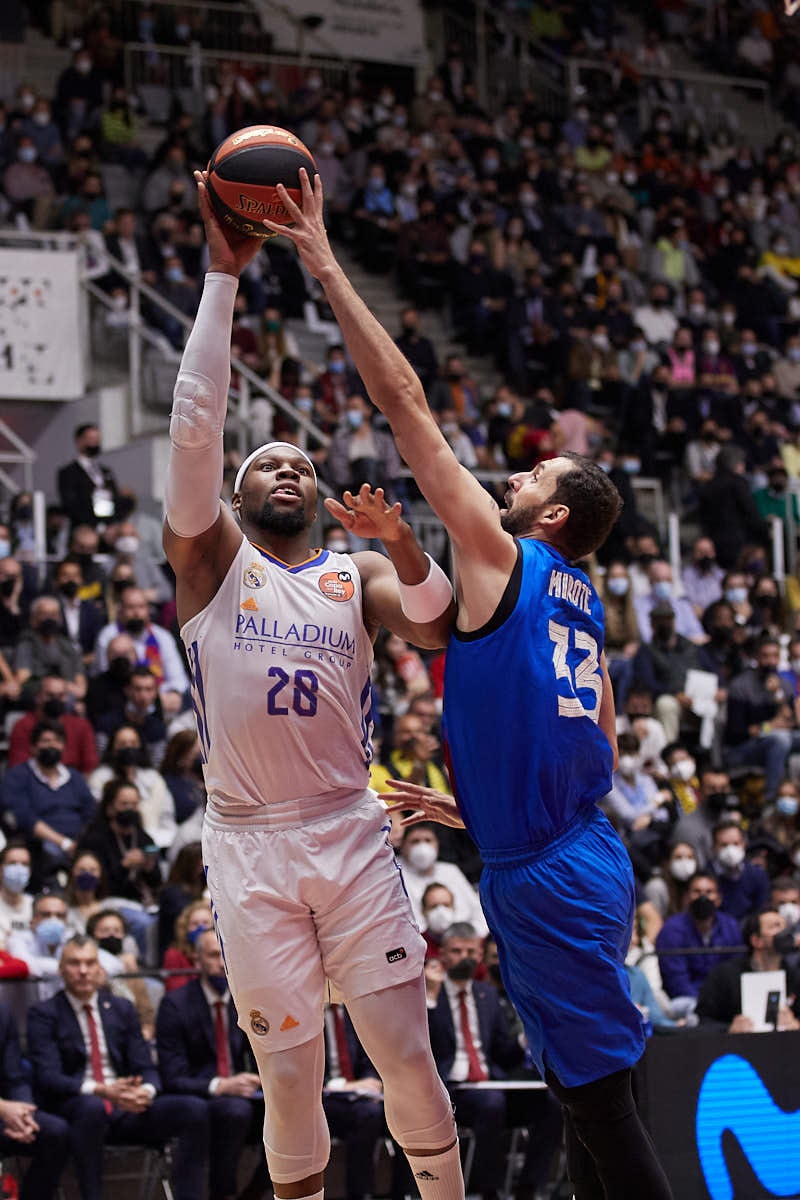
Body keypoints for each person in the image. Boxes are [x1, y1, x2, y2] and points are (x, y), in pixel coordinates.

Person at [271, 168, 673, 1200]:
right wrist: (484, 809)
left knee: (587, 1093)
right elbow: (598, 737)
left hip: (549, 867)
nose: (509, 480)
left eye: (527, 482)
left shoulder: (507, 559)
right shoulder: (576, 598)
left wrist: (321, 258)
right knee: (580, 1074)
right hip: (560, 849)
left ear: (547, 519)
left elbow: (402, 402)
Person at [161, 173, 464, 1200]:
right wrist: (220, 278)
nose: (286, 469)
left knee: (403, 1060)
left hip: (346, 827)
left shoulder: (353, 570)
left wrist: (406, 543)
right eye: (266, 464)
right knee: (289, 1079)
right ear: (238, 499)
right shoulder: (209, 565)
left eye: (300, 460)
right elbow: (197, 425)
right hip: (246, 843)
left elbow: (432, 629)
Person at [26, 935, 209, 1200]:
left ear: (100, 968)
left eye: (90, 962)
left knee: (194, 1109)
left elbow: (145, 1066)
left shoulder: (121, 1008)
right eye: (75, 963)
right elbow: (48, 1077)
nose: (84, 971)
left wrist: (145, 1091)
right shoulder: (44, 1013)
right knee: (92, 1108)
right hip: (77, 1107)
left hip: (126, 1106)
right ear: (61, 969)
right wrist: (102, 1090)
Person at [156, 928, 272, 1200]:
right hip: (200, 1095)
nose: (222, 963)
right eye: (213, 955)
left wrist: (261, 1079)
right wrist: (221, 1085)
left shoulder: (247, 1001)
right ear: (197, 962)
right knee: (235, 1111)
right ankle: (224, 1193)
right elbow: (172, 1076)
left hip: (244, 1095)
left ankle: (257, 1190)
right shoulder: (175, 1005)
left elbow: (262, 1053)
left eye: (227, 955)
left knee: (293, 1103)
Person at [0, 998, 70, 1200]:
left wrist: (24, 1115)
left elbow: (14, 1077)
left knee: (55, 1133)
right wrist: (4, 1108)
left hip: (6, 1113)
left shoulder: (3, 1012)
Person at [696, 908, 800, 1030]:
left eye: (785, 926)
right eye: (775, 926)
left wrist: (796, 1026)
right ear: (756, 940)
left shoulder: (795, 976)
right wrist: (728, 1029)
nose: (784, 932)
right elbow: (703, 1021)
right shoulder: (725, 975)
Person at [654, 871, 742, 1006]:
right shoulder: (672, 929)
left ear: (718, 898)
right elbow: (676, 981)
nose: (703, 897)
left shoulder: (730, 926)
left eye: (709, 892)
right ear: (687, 897)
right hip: (686, 999)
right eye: (697, 892)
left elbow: (735, 970)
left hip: (724, 999)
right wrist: (704, 1004)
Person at [56, 422, 119, 531]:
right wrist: (92, 524)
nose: (95, 442)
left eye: (97, 438)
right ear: (79, 441)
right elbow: (70, 504)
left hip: (108, 525)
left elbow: (115, 497)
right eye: (91, 438)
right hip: (83, 526)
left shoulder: (105, 471)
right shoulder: (68, 472)